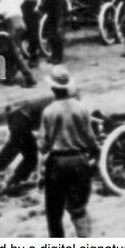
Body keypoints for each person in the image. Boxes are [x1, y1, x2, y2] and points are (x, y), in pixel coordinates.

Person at [40, 66, 99, 237]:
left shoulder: (48, 112)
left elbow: (43, 145)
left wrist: (41, 172)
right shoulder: (81, 109)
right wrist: (95, 157)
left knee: (54, 214)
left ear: (52, 88)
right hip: (79, 161)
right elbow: (90, 139)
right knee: (78, 209)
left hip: (57, 164)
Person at [0, 96, 50, 199]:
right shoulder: (58, 111)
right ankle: (14, 182)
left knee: (6, 156)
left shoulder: (53, 107)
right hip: (22, 120)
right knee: (30, 158)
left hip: (16, 118)